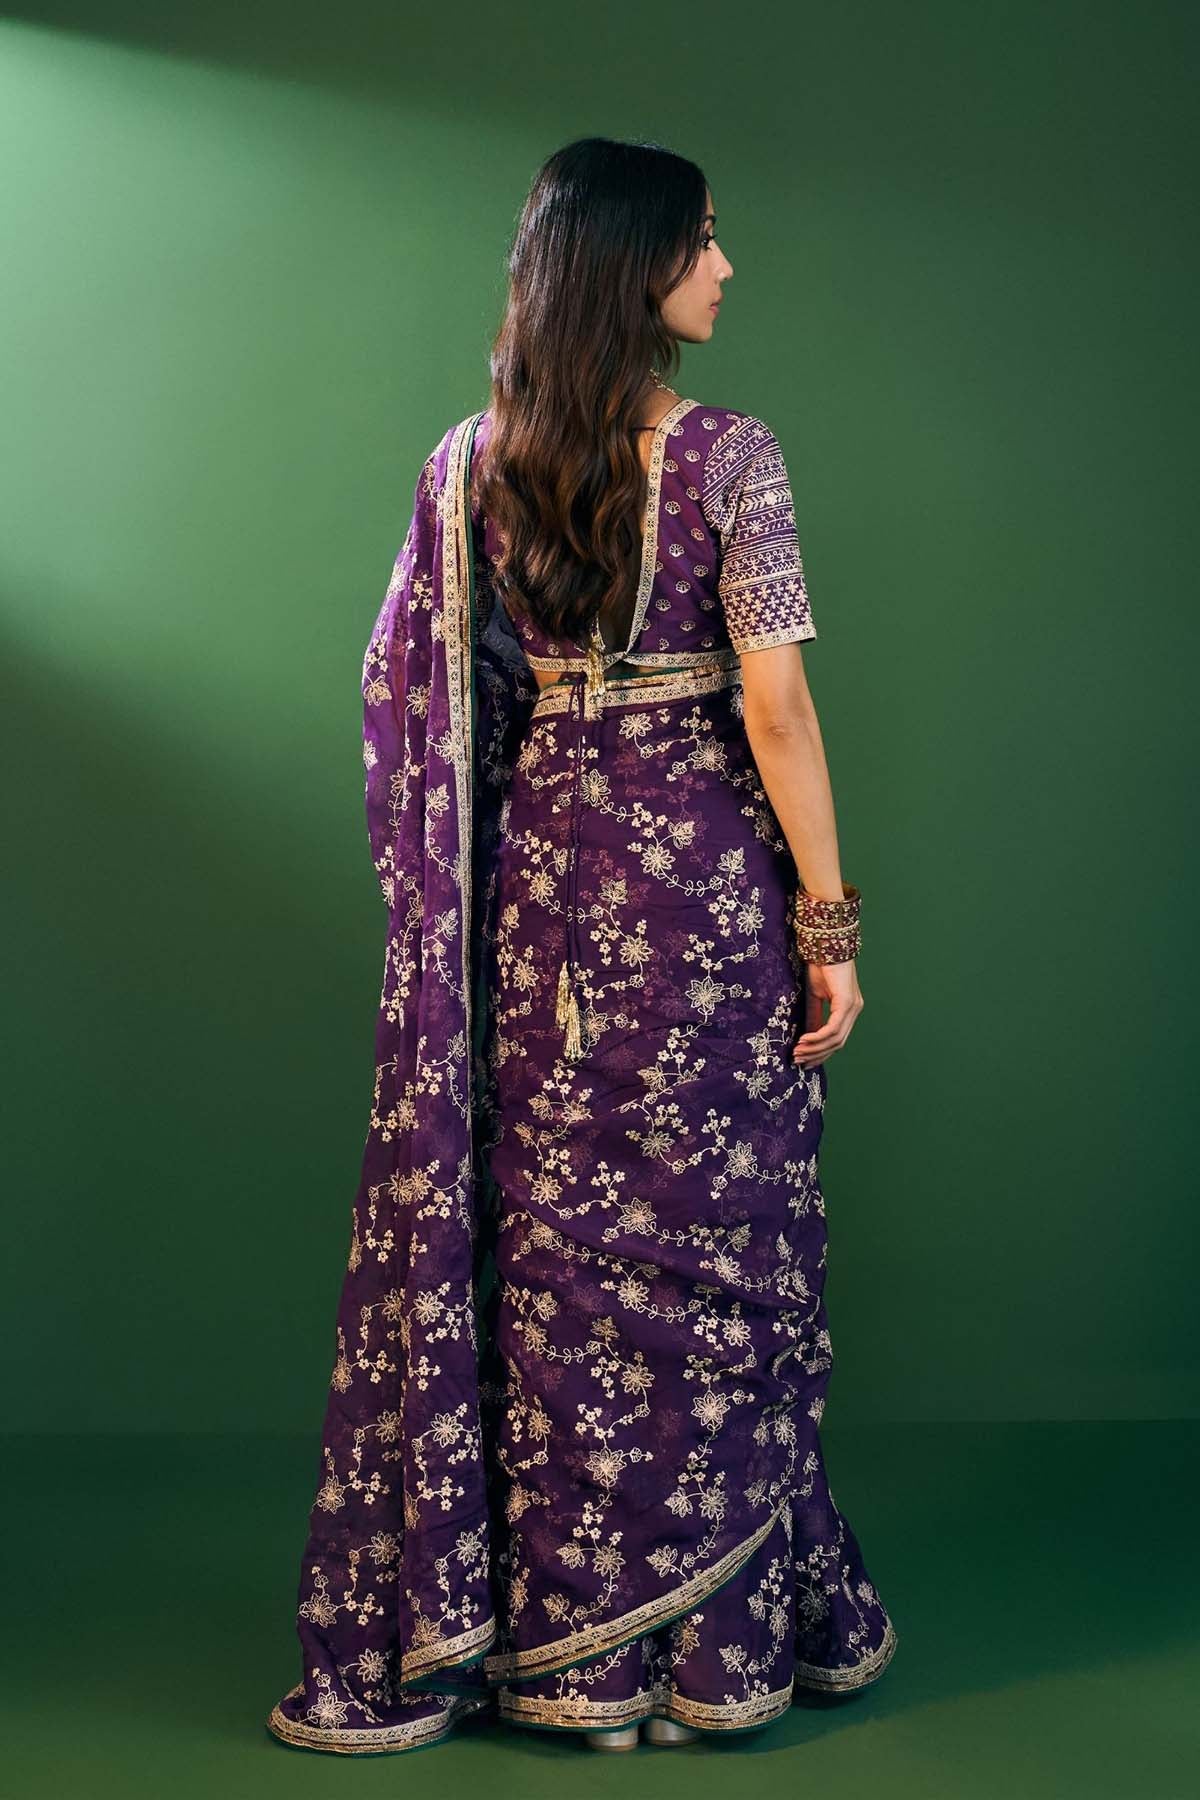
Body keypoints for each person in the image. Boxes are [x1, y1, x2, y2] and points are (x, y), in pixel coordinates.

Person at [266, 136, 897, 1759]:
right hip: (702, 902)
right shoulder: (734, 457)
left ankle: (579, 1674)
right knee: (717, 1254)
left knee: (568, 1268)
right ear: (633, 265)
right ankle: (705, 1665)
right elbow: (777, 706)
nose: (726, 267)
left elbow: (419, 706)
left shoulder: (469, 465)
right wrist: (829, 922)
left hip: (541, 902)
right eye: (703, 239)